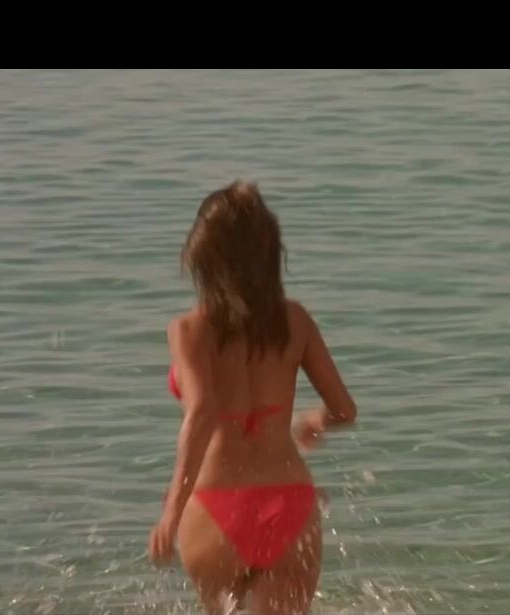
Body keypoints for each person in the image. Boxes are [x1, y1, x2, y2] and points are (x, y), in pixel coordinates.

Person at [148, 180, 358, 614]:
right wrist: (315, 420)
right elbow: (344, 409)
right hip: (288, 505)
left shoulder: (189, 331)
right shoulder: (295, 321)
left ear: (204, 257)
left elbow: (202, 413)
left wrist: (172, 512)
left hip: (215, 507)